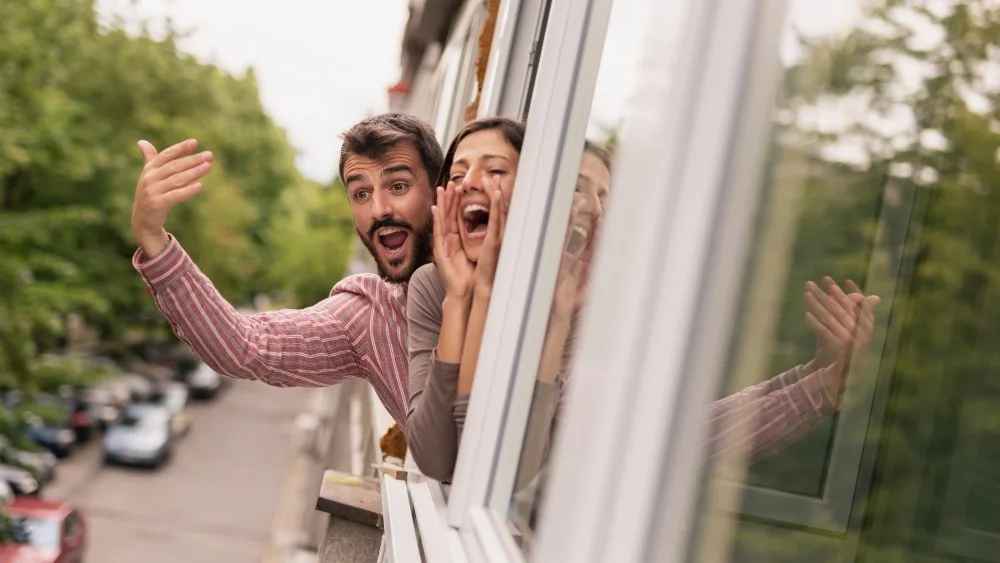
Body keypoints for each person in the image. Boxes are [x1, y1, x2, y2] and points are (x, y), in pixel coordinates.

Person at [404, 117, 880, 482]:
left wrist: (814, 382)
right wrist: (468, 299)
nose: (592, 207)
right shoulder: (438, 287)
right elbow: (450, 457)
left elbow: (671, 439)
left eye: (606, 196)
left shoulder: (587, 312)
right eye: (578, 189)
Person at [129, 113, 444, 426]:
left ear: (439, 189)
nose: (379, 210)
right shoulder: (370, 315)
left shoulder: (490, 272)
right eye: (361, 194)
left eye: (398, 185)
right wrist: (153, 237)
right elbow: (243, 345)